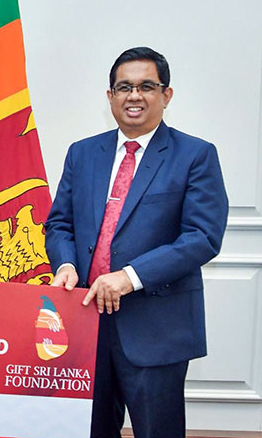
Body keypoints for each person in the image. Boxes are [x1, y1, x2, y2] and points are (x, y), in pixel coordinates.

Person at [45, 47, 228, 438]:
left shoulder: (195, 155)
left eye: (147, 86)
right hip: (83, 322)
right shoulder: (82, 153)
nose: (134, 95)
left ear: (167, 95)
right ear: (110, 96)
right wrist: (65, 265)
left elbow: (203, 237)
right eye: (124, 87)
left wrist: (129, 276)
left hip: (155, 326)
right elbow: (59, 223)